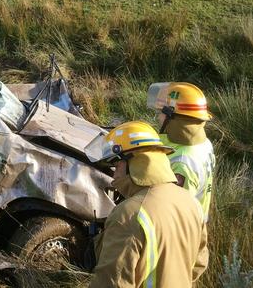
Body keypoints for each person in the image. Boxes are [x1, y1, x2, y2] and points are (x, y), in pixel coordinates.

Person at [84, 121, 208, 288]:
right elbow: (198, 264)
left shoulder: (129, 214)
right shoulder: (191, 202)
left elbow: (112, 283)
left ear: (131, 163)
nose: (114, 176)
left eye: (116, 165)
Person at [147, 82, 215, 221]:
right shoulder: (203, 143)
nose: (158, 117)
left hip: (183, 231)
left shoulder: (182, 164)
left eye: (160, 113)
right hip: (196, 224)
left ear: (173, 118)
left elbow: (175, 213)